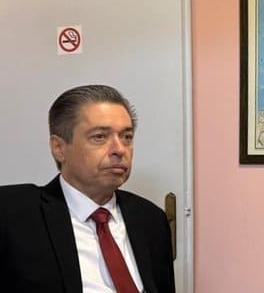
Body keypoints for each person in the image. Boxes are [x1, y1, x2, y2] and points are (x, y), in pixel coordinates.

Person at [0, 84, 175, 292]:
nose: (120, 149)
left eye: (126, 137)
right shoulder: (12, 214)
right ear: (59, 148)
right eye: (100, 137)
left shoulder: (151, 219)